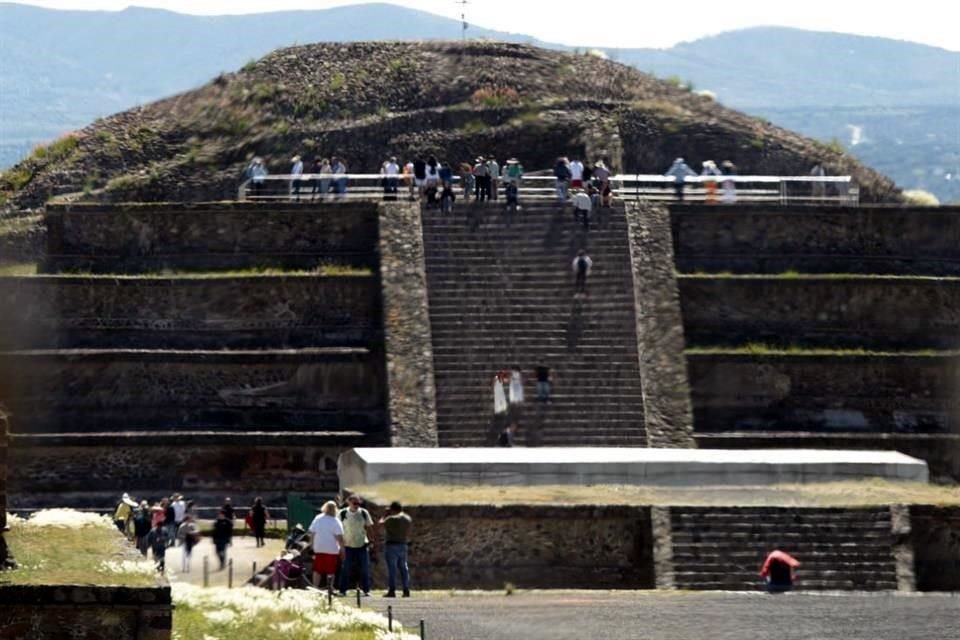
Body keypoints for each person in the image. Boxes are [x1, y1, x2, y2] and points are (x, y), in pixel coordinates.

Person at [338, 494, 375, 596]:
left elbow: (369, 527)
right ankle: (342, 590)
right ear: (349, 502)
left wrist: (372, 541)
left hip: (362, 545)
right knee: (346, 568)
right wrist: (339, 544)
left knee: (365, 569)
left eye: (358, 503)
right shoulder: (342, 513)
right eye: (354, 503)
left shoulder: (363, 513)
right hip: (348, 545)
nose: (357, 505)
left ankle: (366, 590)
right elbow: (338, 529)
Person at [308, 501, 344, 591]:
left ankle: (315, 586)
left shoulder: (318, 518)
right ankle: (330, 587)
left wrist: (311, 545)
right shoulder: (335, 521)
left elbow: (312, 533)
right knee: (330, 570)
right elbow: (339, 537)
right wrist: (342, 549)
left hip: (319, 547)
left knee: (317, 569)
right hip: (331, 549)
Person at [380, 502, 413, 598]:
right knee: (404, 568)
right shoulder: (407, 519)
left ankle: (392, 590)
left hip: (391, 545)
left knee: (392, 569)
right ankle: (406, 590)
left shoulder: (390, 519)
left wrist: (384, 515)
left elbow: (380, 524)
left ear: (392, 509)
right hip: (403, 544)